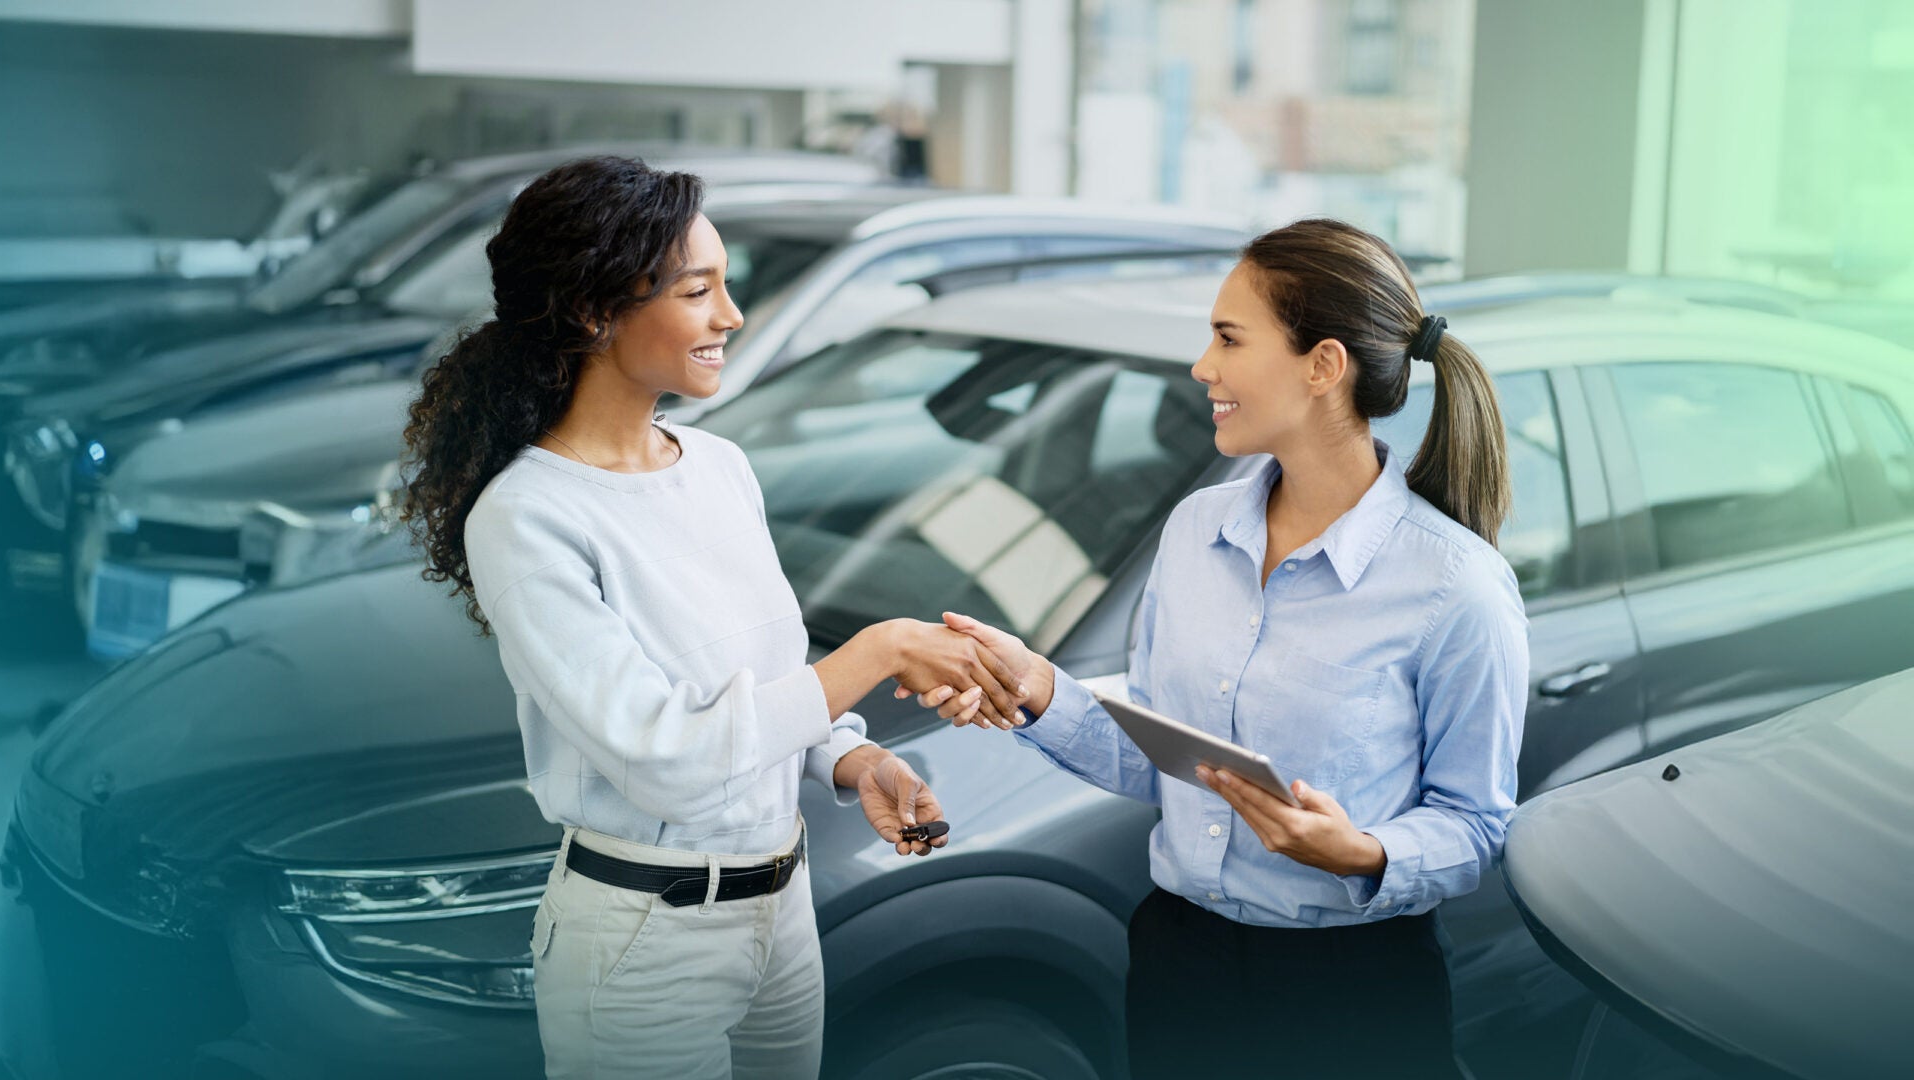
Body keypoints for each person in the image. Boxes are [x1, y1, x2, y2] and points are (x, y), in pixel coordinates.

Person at [401, 156, 1027, 1080]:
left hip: (783, 909)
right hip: (643, 943)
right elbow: (668, 757)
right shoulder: (529, 517)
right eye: (700, 292)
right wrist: (882, 648)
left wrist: (848, 756)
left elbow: (764, 681)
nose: (731, 316)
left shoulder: (719, 465)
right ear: (594, 311)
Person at [906, 218, 1529, 1078]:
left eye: (1229, 339)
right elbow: (1164, 759)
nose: (1203, 367)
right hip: (1178, 960)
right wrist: (1039, 688)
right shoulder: (1197, 529)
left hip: (1351, 998)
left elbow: (1477, 824)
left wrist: (1364, 854)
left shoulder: (1456, 584)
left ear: (1323, 366)